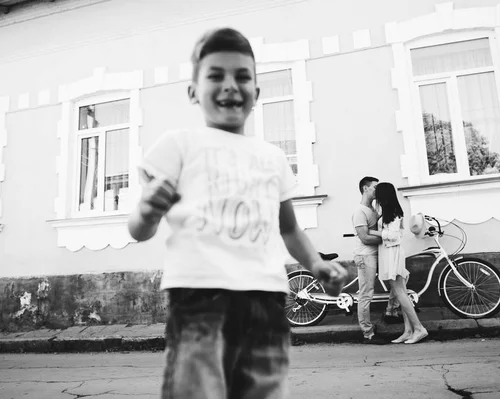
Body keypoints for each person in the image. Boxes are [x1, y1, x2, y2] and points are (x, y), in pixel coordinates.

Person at [128, 27, 348, 399]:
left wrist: (315, 263)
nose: (230, 85)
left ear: (256, 94)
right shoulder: (179, 145)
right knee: (197, 390)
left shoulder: (273, 158)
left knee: (263, 390)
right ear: (193, 91)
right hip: (199, 298)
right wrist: (148, 211)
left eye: (242, 76)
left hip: (266, 299)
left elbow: (289, 229)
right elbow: (138, 229)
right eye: (216, 76)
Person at [369, 182, 428, 344]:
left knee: (400, 293)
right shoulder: (388, 212)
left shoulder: (393, 213)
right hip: (389, 253)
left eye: (378, 193)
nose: (376, 196)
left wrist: (373, 232)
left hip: (392, 253)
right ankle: (408, 331)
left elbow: (394, 235)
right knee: (400, 292)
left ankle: (419, 328)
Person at [352, 176, 398, 345]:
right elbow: (364, 238)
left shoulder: (373, 209)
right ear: (365, 188)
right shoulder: (360, 211)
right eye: (374, 187)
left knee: (399, 279)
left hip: (378, 253)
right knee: (366, 293)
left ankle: (391, 312)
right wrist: (389, 239)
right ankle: (368, 334)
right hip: (366, 255)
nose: (377, 191)